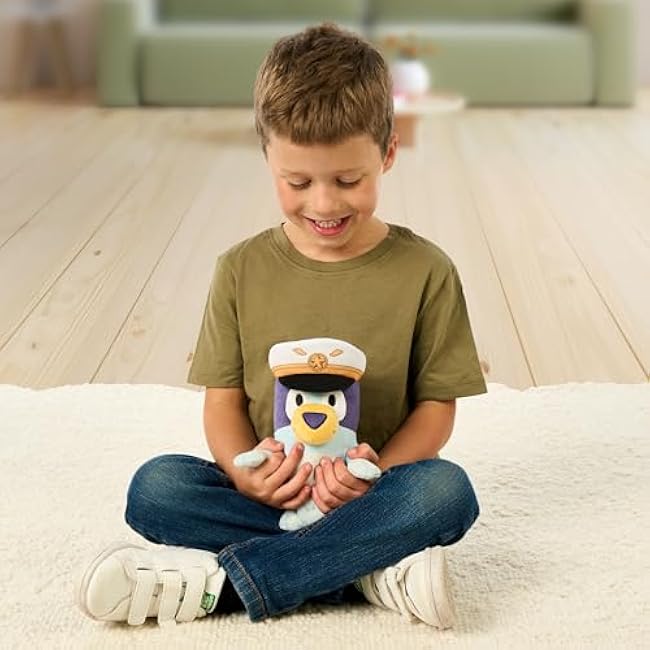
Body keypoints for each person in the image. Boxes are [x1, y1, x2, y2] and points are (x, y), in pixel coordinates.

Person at [76, 23, 486, 629]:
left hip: (371, 494)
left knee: (445, 492)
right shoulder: (239, 269)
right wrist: (248, 479)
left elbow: (436, 410)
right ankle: (368, 571)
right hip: (275, 498)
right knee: (156, 488)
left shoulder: (427, 270)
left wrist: (370, 479)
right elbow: (221, 403)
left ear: (388, 153)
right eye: (298, 183)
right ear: (267, 157)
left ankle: (226, 585)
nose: (324, 204)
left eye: (348, 181)